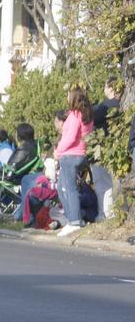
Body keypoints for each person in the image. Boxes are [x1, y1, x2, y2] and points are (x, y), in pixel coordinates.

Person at [0, 123, 39, 220]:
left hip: (9, 180)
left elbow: (12, 168)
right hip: (10, 177)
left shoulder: (23, 150)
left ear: (20, 135)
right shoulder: (32, 146)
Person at [54, 85, 94, 237]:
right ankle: (72, 219)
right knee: (64, 188)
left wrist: (58, 151)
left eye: (68, 95)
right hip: (81, 154)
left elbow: (69, 137)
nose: (67, 97)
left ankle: (74, 221)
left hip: (70, 155)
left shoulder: (74, 115)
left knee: (67, 189)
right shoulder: (87, 115)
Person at [90, 77, 123, 220]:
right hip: (117, 149)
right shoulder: (122, 106)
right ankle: (115, 213)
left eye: (105, 86)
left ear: (110, 88)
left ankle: (103, 215)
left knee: (102, 185)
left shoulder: (102, 108)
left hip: (101, 149)